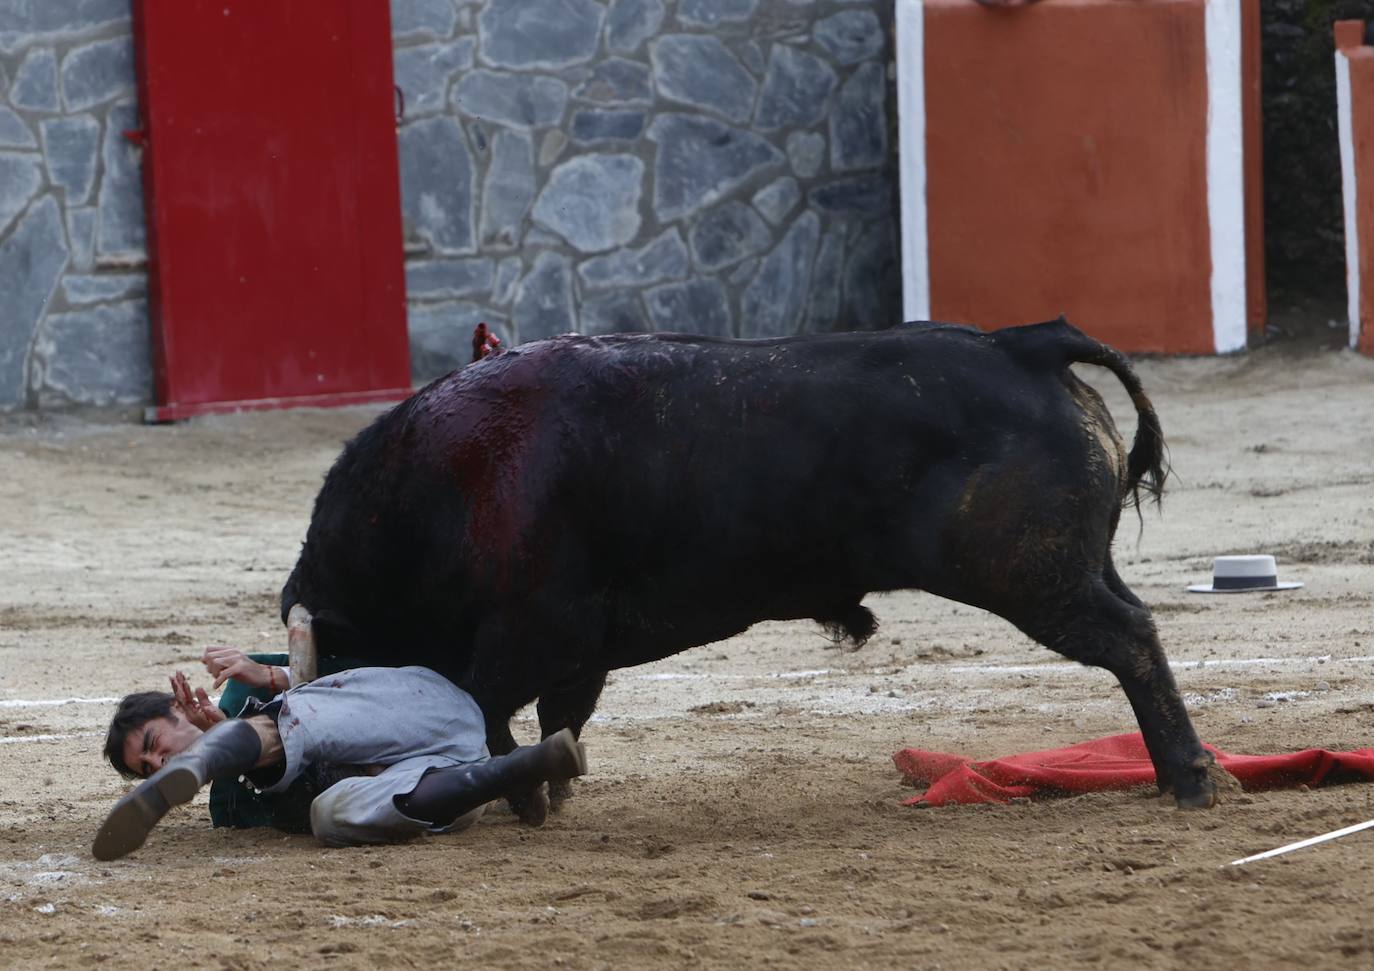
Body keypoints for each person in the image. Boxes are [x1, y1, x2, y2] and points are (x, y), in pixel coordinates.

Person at [94, 659, 586, 861]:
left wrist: (272, 673)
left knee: (287, 724)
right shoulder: (225, 808)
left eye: (154, 744)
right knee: (328, 816)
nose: (157, 762)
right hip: (452, 777)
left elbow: (349, 657)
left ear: (177, 706)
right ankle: (518, 768)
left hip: (410, 708)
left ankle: (207, 757)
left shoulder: (242, 682)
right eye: (148, 768)